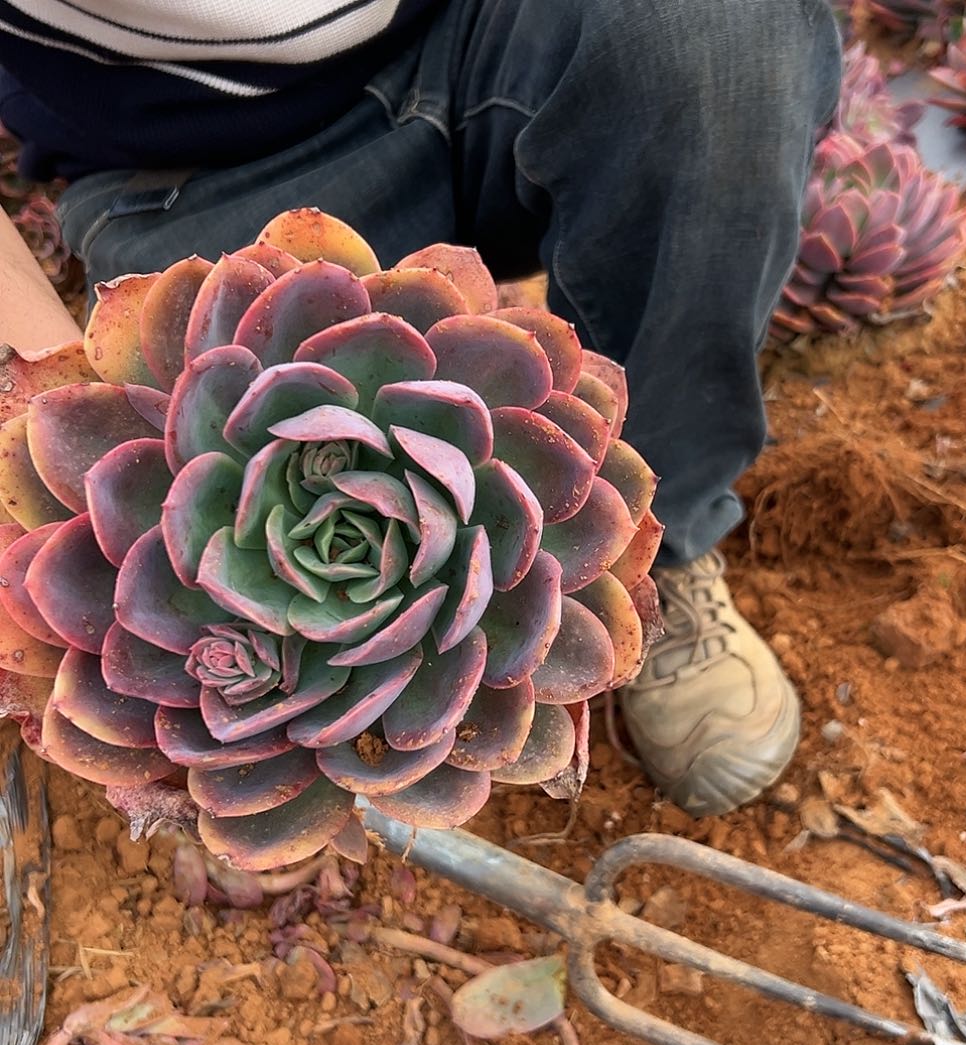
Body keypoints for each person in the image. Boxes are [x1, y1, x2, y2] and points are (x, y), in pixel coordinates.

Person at [0, 0, 842, 818]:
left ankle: (660, 539)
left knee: (717, 37)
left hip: (475, 29)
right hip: (186, 159)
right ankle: (335, 741)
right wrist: (43, 397)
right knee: (160, 457)